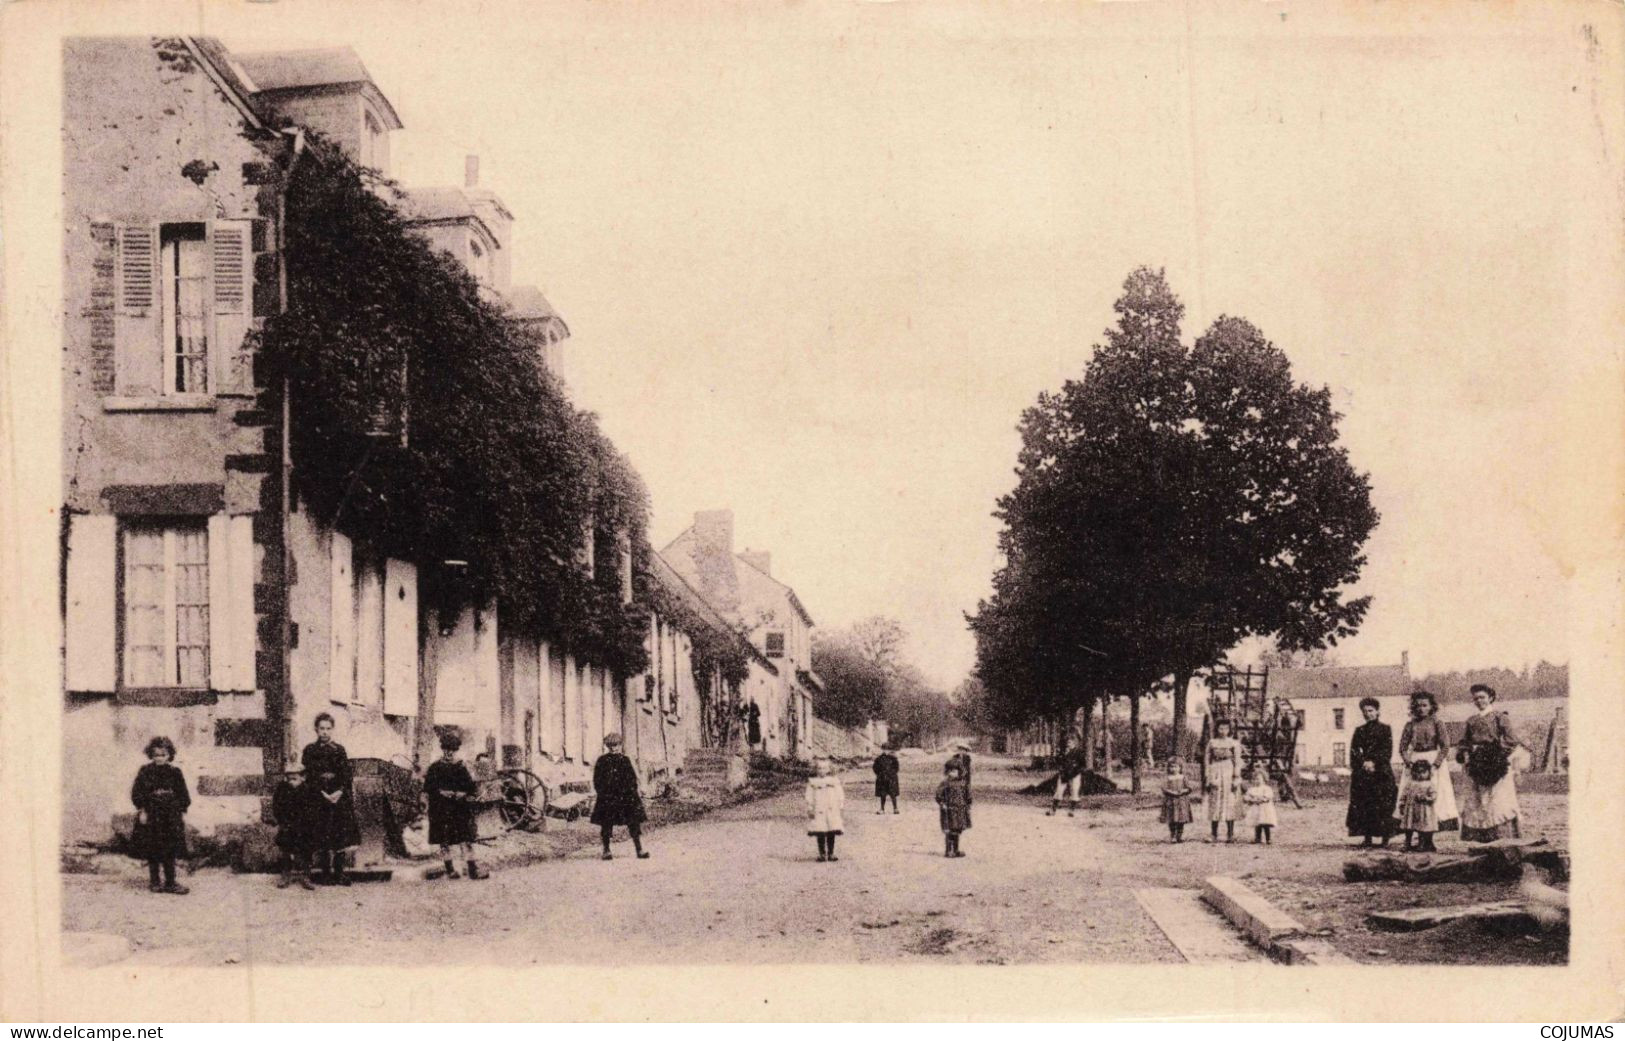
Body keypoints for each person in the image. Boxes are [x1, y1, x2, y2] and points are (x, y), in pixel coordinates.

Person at [1456, 684, 1523, 842]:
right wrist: (1465, 753)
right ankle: (1480, 837)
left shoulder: (1500, 717)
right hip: (1477, 762)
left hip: (1495, 762)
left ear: (1490, 698)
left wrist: (1499, 755)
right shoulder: (1471, 721)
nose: (1479, 701)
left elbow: (1512, 740)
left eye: (1482, 697)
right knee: (1476, 800)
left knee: (1497, 799)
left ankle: (1501, 834)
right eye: (1476, 699)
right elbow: (1464, 742)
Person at [302, 712, 361, 885]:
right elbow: (308, 775)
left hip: (338, 799)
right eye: (322, 728)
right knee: (322, 834)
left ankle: (340, 873)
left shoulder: (339, 750)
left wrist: (339, 792)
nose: (325, 732)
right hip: (318, 798)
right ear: (316, 729)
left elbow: (346, 775)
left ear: (332, 730)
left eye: (328, 728)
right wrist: (322, 793)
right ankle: (325, 873)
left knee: (340, 834)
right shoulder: (310, 750)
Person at [131, 736, 191, 895]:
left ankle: (170, 882)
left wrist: (182, 811)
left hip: (170, 816)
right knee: (153, 848)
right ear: (151, 755)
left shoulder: (175, 772)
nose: (159, 758)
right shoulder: (145, 771)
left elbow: (183, 794)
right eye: (156, 755)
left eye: (163, 755)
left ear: (169, 755)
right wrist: (142, 811)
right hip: (152, 815)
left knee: (169, 849)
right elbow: (137, 792)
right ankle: (155, 882)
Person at [425, 733, 487, 880]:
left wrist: (462, 793)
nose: (449, 753)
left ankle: (472, 870)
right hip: (441, 808)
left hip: (459, 808)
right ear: (442, 750)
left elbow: (470, 787)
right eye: (446, 750)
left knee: (465, 839)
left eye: (452, 750)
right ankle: (450, 870)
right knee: (444, 840)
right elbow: (428, 787)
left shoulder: (461, 767)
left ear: (455, 750)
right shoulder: (435, 767)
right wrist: (441, 792)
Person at [1398, 690, 1459, 837]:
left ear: (1431, 706)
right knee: (1413, 795)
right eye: (1418, 706)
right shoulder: (1410, 724)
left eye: (1425, 705)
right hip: (1415, 762)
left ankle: (1428, 837)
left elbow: (1445, 746)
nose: (1421, 708)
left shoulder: (1438, 723)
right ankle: (1412, 832)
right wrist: (1408, 762)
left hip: (1433, 761)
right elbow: (1402, 747)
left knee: (1432, 797)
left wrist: (1436, 764)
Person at [1346, 696, 1398, 847]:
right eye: (1365, 711)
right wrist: (1362, 763)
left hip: (1381, 773)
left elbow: (1387, 750)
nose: (1368, 714)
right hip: (1363, 774)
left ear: (1377, 712)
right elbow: (1354, 750)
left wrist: (1374, 762)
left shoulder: (1385, 729)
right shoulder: (1359, 730)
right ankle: (1367, 838)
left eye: (1371, 710)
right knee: (1364, 804)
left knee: (1383, 804)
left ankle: (1385, 839)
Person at [591, 733, 649, 860]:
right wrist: (602, 793)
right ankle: (606, 850)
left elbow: (632, 778)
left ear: (620, 745)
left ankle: (639, 849)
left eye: (616, 745)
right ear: (607, 746)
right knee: (606, 823)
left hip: (626, 796)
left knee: (633, 822)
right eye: (610, 745)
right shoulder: (602, 760)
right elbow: (597, 779)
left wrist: (632, 791)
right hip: (608, 796)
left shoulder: (625, 760)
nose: (613, 748)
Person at [270, 759, 314, 890]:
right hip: (287, 824)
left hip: (304, 826)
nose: (291, 782)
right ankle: (285, 875)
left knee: (306, 851)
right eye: (288, 779)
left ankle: (306, 876)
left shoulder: (308, 790)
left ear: (303, 777)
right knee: (286, 850)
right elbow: (276, 806)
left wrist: (309, 822)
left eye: (294, 779)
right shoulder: (282, 789)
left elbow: (314, 808)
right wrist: (282, 820)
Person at [1204, 719, 1242, 842]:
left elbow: (1237, 760)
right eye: (1220, 728)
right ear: (1217, 729)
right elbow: (1207, 759)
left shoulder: (1234, 743)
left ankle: (1230, 834)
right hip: (1215, 770)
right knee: (1215, 801)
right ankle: (1213, 834)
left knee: (1229, 801)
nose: (1223, 731)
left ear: (1229, 730)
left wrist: (1236, 776)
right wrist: (1208, 775)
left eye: (1225, 728)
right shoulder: (1212, 742)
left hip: (1228, 770)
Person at [805, 758, 847, 861]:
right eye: (819, 768)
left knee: (831, 830)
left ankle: (831, 853)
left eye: (824, 768)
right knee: (820, 830)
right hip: (819, 808)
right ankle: (822, 854)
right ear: (816, 769)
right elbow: (809, 796)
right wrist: (810, 808)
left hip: (832, 808)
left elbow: (840, 794)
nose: (821, 770)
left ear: (828, 769)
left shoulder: (834, 781)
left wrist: (841, 806)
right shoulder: (813, 782)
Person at [1398, 759, 1439, 852]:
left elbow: (1434, 796)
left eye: (1423, 772)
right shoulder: (1410, 784)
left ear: (1429, 773)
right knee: (1408, 828)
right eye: (1417, 772)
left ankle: (1422, 844)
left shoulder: (1429, 784)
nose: (1420, 775)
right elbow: (1404, 794)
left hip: (1424, 811)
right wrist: (1402, 804)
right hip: (1411, 811)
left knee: (1422, 828)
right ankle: (1407, 843)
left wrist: (1426, 798)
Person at [936, 762, 972, 857]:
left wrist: (968, 803)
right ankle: (948, 851)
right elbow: (939, 794)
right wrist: (942, 802)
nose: (952, 773)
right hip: (949, 809)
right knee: (950, 829)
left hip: (960, 809)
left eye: (955, 771)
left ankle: (956, 850)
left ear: (959, 772)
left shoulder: (963, 783)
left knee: (957, 829)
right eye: (950, 771)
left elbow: (968, 795)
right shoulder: (945, 783)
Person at [1048, 738, 1087, 817]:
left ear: (1075, 743)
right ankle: (1053, 810)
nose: (1069, 744)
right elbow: (1058, 762)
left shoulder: (1079, 752)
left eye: (1071, 742)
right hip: (1064, 775)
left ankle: (1072, 811)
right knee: (1059, 791)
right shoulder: (1062, 752)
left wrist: (1076, 771)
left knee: (1074, 791)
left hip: (1075, 774)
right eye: (1068, 742)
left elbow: (1083, 765)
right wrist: (1061, 770)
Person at [1242, 767, 1279, 844]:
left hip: (1264, 809)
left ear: (1264, 779)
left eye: (1259, 779)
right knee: (1257, 824)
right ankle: (1257, 838)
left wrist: (1261, 799)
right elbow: (1246, 796)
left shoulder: (1266, 788)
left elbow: (1268, 797)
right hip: (1256, 809)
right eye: (1255, 779)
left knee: (1265, 824)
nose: (1257, 781)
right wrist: (1250, 800)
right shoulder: (1252, 789)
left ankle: (1268, 839)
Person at [1159, 760, 1194, 842]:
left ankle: (1179, 835)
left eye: (1176, 767)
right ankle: (1173, 835)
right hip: (1171, 801)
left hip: (1181, 801)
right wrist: (1171, 792)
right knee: (1172, 819)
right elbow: (1164, 788)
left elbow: (1189, 788)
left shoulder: (1183, 777)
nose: (1173, 769)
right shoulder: (1167, 778)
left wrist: (1183, 791)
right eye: (1171, 767)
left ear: (1180, 768)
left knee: (1181, 819)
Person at [872, 746, 900, 814]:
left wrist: (892, 774)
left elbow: (896, 768)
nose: (886, 751)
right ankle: (882, 809)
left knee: (893, 794)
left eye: (887, 749)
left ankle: (895, 808)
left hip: (891, 779)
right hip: (882, 779)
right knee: (882, 794)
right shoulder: (879, 759)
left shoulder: (893, 759)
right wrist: (879, 774)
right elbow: (875, 768)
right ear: (882, 750)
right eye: (884, 749)